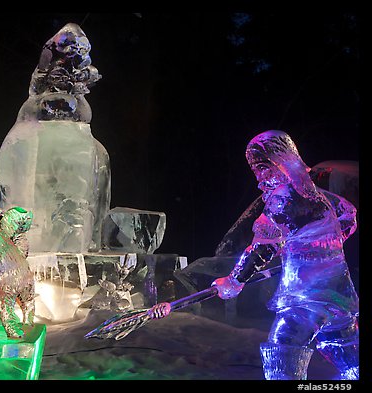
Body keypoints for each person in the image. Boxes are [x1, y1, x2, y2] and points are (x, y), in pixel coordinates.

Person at [149, 130, 359, 380]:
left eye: (262, 167)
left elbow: (262, 249)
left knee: (283, 352)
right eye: (256, 169)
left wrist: (234, 281)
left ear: (279, 162)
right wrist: (319, 246)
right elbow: (348, 216)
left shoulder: (282, 199)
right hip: (341, 298)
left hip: (307, 299)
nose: (260, 177)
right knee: (349, 359)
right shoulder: (321, 196)